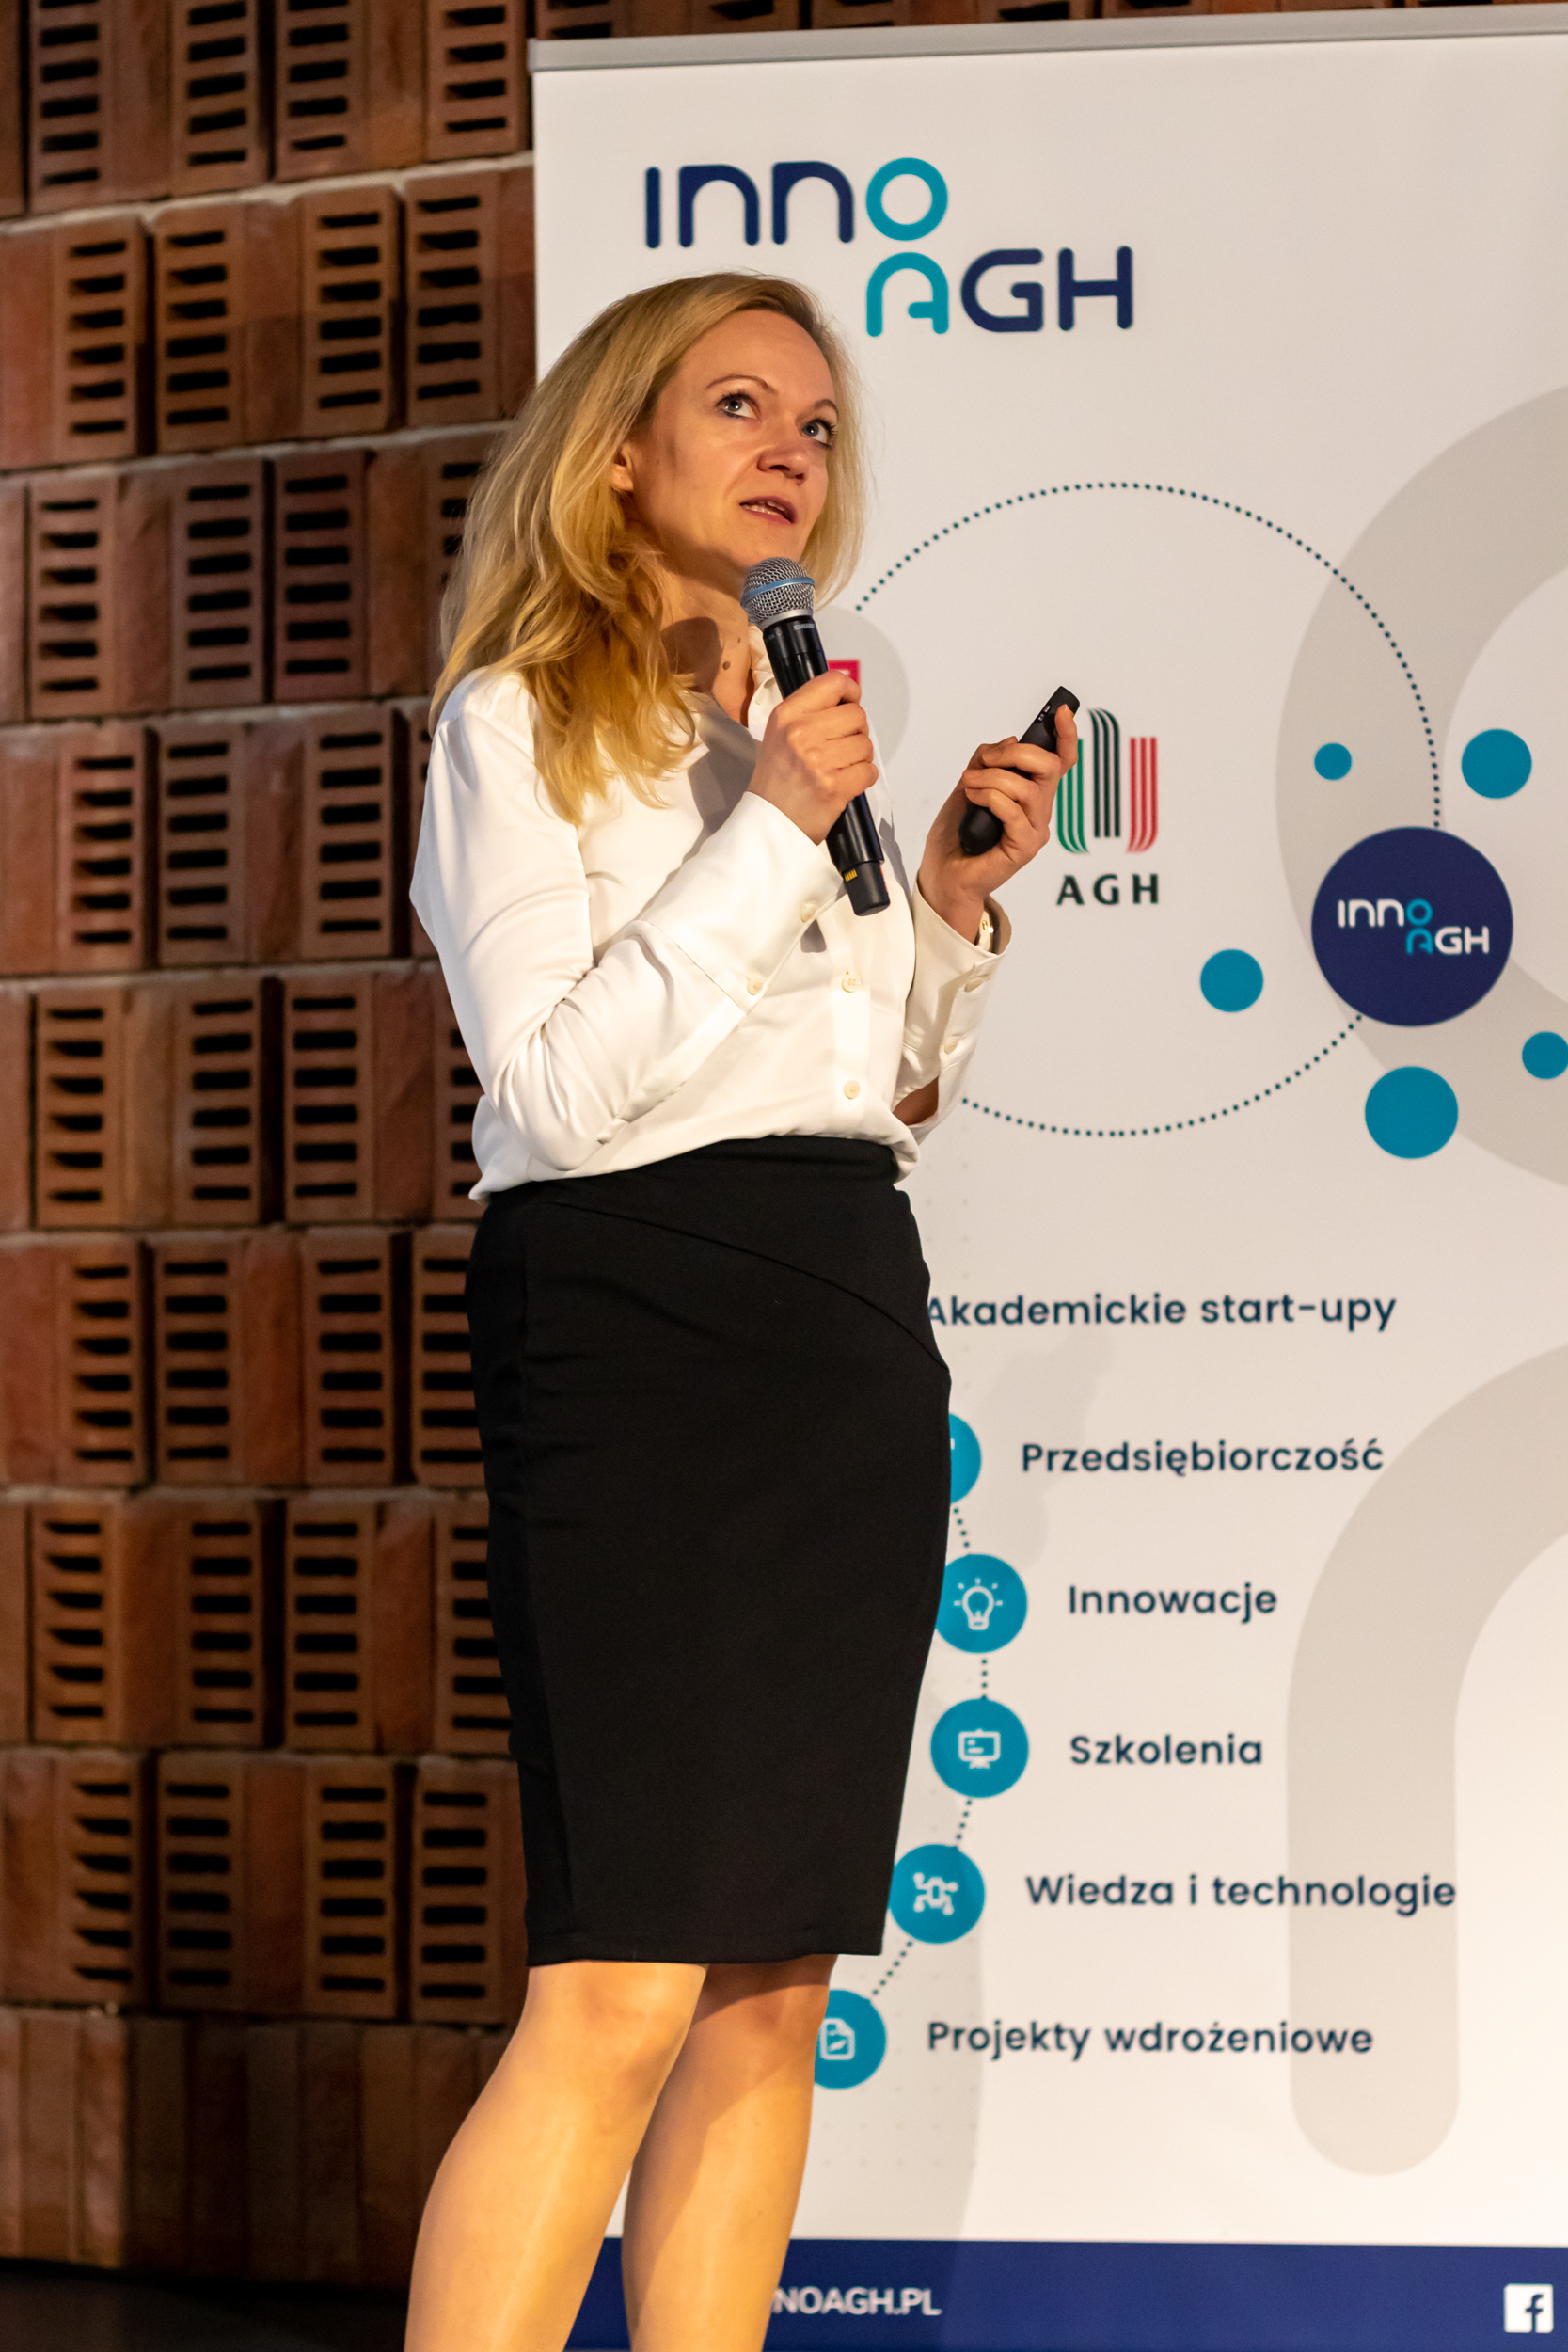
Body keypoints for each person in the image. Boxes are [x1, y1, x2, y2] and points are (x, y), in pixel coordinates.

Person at [405, 271, 1070, 2352]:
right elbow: (556, 1091)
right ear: (620, 453)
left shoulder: (792, 733)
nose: (793, 448)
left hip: (836, 1315)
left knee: (775, 1984)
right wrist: (775, 821)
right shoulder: (516, 722)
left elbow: (865, 1086)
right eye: (739, 407)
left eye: (817, 423)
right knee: (622, 1978)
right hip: (636, 1324)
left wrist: (944, 902)